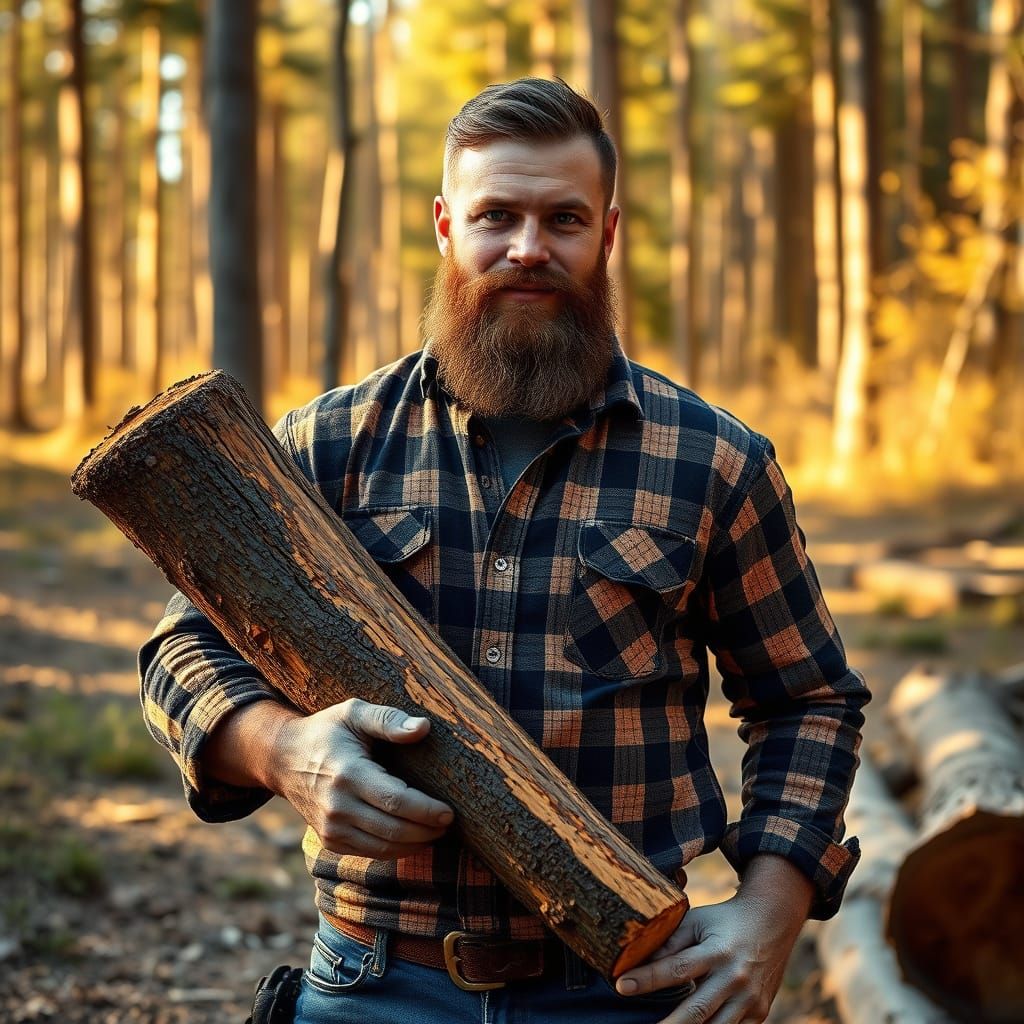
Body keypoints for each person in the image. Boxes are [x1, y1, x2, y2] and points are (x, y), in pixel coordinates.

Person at [140, 77, 869, 1024]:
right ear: (446, 226)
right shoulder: (328, 445)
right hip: (373, 981)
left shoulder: (713, 461)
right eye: (497, 216)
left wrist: (771, 914)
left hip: (626, 987)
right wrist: (282, 750)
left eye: (564, 219)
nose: (529, 248)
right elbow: (183, 650)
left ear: (606, 234)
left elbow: (807, 700)